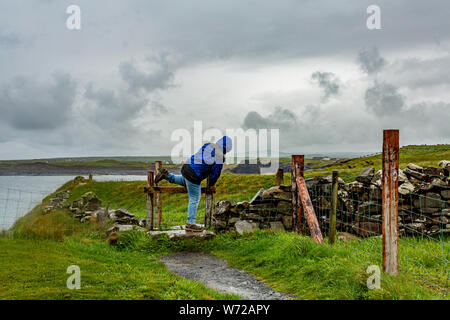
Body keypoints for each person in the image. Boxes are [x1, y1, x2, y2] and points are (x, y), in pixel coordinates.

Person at [154, 136, 232, 232]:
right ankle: (190, 223)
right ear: (226, 148)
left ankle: (167, 175)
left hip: (187, 166)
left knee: (184, 181)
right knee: (194, 198)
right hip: (194, 174)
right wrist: (211, 184)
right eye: (228, 149)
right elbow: (215, 173)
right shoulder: (219, 155)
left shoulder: (208, 145)